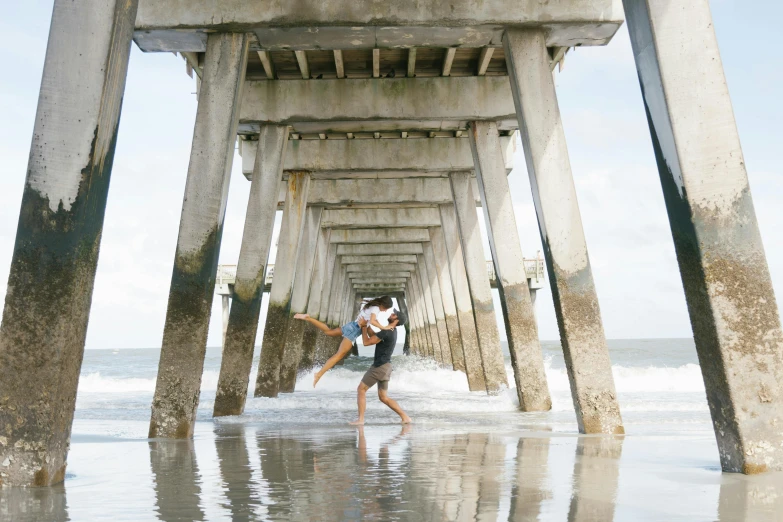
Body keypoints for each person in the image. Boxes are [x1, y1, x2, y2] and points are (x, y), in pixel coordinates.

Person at [294, 296, 394, 387]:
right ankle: (318, 375)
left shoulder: (373, 306)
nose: (385, 311)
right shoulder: (376, 308)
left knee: (329, 332)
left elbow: (372, 322)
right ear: (383, 305)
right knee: (338, 355)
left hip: (351, 325)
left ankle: (308, 318)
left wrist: (382, 328)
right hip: (354, 331)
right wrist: (385, 328)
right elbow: (372, 321)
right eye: (386, 309)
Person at [350, 309, 411, 425]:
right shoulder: (392, 331)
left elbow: (367, 342)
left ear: (396, 320)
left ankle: (360, 420)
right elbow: (375, 336)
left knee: (361, 390)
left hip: (379, 367)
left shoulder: (386, 331)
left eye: (394, 315)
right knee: (383, 397)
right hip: (386, 367)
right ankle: (405, 417)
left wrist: (363, 328)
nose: (391, 314)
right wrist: (367, 326)